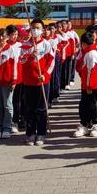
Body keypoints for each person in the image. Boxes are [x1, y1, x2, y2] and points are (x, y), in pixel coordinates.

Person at [19, 18, 54, 146]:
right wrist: (30, 57)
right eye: (33, 28)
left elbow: (51, 61)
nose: (35, 30)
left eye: (38, 28)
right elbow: (21, 61)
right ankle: (30, 134)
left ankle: (41, 134)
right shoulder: (25, 45)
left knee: (41, 109)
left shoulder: (46, 44)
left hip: (42, 81)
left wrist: (45, 75)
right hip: (28, 82)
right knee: (30, 109)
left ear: (43, 30)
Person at [73, 32, 97, 137]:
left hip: (92, 86)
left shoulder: (91, 53)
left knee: (94, 106)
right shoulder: (87, 52)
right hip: (86, 85)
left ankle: (95, 125)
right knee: (84, 106)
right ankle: (84, 125)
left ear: (83, 43)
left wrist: (89, 86)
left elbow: (92, 71)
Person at [7, 24, 23, 134]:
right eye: (13, 34)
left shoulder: (20, 46)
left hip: (19, 77)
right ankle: (6, 121)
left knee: (17, 101)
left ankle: (16, 121)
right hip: (6, 78)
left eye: (16, 34)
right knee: (7, 101)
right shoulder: (4, 46)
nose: (15, 36)